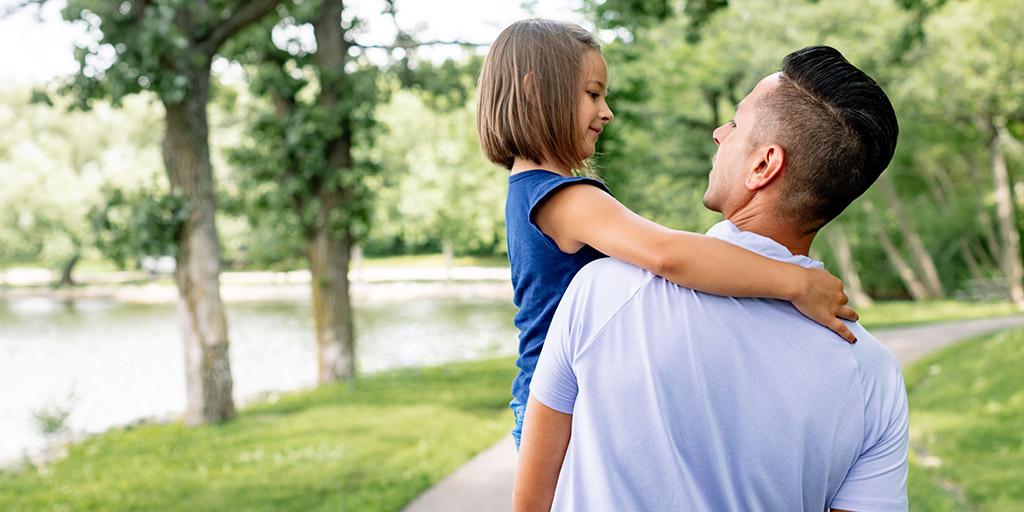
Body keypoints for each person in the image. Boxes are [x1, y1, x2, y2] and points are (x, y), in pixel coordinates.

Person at [515, 46, 908, 512]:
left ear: (763, 165)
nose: (719, 133)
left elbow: (532, 501)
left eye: (736, 124)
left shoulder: (603, 293)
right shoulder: (872, 374)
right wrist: (796, 282)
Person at [476, 19, 859, 453]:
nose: (607, 112)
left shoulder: (530, 191)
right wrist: (795, 282)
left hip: (561, 394)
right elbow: (667, 255)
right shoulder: (561, 199)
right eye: (592, 94)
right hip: (560, 406)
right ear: (533, 91)